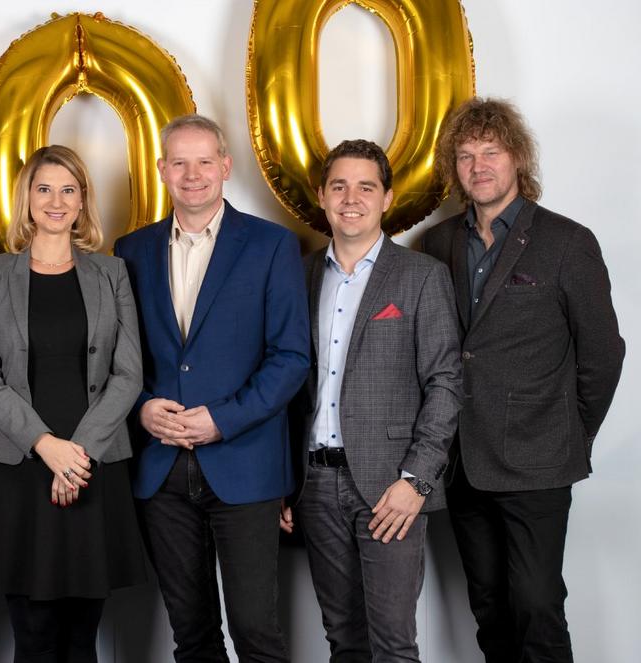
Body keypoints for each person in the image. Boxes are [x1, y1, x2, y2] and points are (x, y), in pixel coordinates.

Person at [422, 97, 625, 662]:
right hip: (463, 459)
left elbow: (603, 354)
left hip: (538, 459)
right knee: (489, 608)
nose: (478, 166)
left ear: (517, 158)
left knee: (537, 605)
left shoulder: (567, 242)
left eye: (491, 152)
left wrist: (571, 432)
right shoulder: (439, 243)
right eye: (466, 156)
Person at [114, 114, 310, 663]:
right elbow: (116, 357)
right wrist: (142, 408)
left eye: (204, 161)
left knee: (256, 633)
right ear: (161, 169)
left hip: (245, 465)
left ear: (225, 166)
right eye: (179, 162)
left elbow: (291, 357)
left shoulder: (272, 245)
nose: (192, 174)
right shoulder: (131, 250)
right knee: (192, 635)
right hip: (161, 470)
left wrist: (223, 419)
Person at [283, 139, 462, 662]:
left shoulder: (421, 275)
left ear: (386, 199)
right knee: (343, 640)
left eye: (366, 187)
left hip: (391, 487)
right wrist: (282, 483)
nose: (351, 198)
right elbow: (286, 384)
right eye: (339, 186)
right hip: (314, 485)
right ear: (322, 196)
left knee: (392, 644)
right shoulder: (299, 276)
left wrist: (416, 481)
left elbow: (446, 383)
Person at [0, 144, 147, 662]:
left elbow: (129, 373)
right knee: (34, 635)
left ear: (82, 200)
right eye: (44, 189)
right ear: (26, 197)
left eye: (68, 190)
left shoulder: (111, 273)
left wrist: (77, 455)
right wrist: (46, 446)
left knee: (82, 637)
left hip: (93, 467)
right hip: (20, 470)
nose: (56, 201)